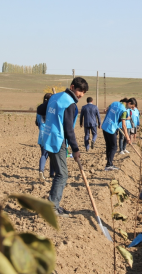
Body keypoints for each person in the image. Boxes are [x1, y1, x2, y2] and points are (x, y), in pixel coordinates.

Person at [36, 77, 88, 216]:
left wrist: (51, 110)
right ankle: (52, 208)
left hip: (48, 137)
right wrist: (75, 149)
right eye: (79, 91)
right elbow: (68, 129)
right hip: (57, 140)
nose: (81, 95)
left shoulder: (55, 97)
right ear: (72, 87)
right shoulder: (69, 104)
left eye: (83, 92)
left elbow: (40, 109)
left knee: (60, 173)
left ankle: (54, 206)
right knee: (62, 174)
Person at [102, 98, 132, 170]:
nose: (130, 108)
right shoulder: (124, 110)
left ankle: (109, 164)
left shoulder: (114, 103)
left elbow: (105, 110)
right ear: (129, 103)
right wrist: (127, 138)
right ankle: (109, 164)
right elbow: (124, 126)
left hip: (105, 126)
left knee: (108, 146)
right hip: (111, 129)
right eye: (131, 106)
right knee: (114, 147)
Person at [36, 93, 56, 180]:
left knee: (43, 154)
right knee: (52, 155)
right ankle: (52, 173)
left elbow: (37, 122)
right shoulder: (51, 109)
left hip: (41, 134)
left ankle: (41, 170)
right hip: (50, 133)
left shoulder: (40, 109)